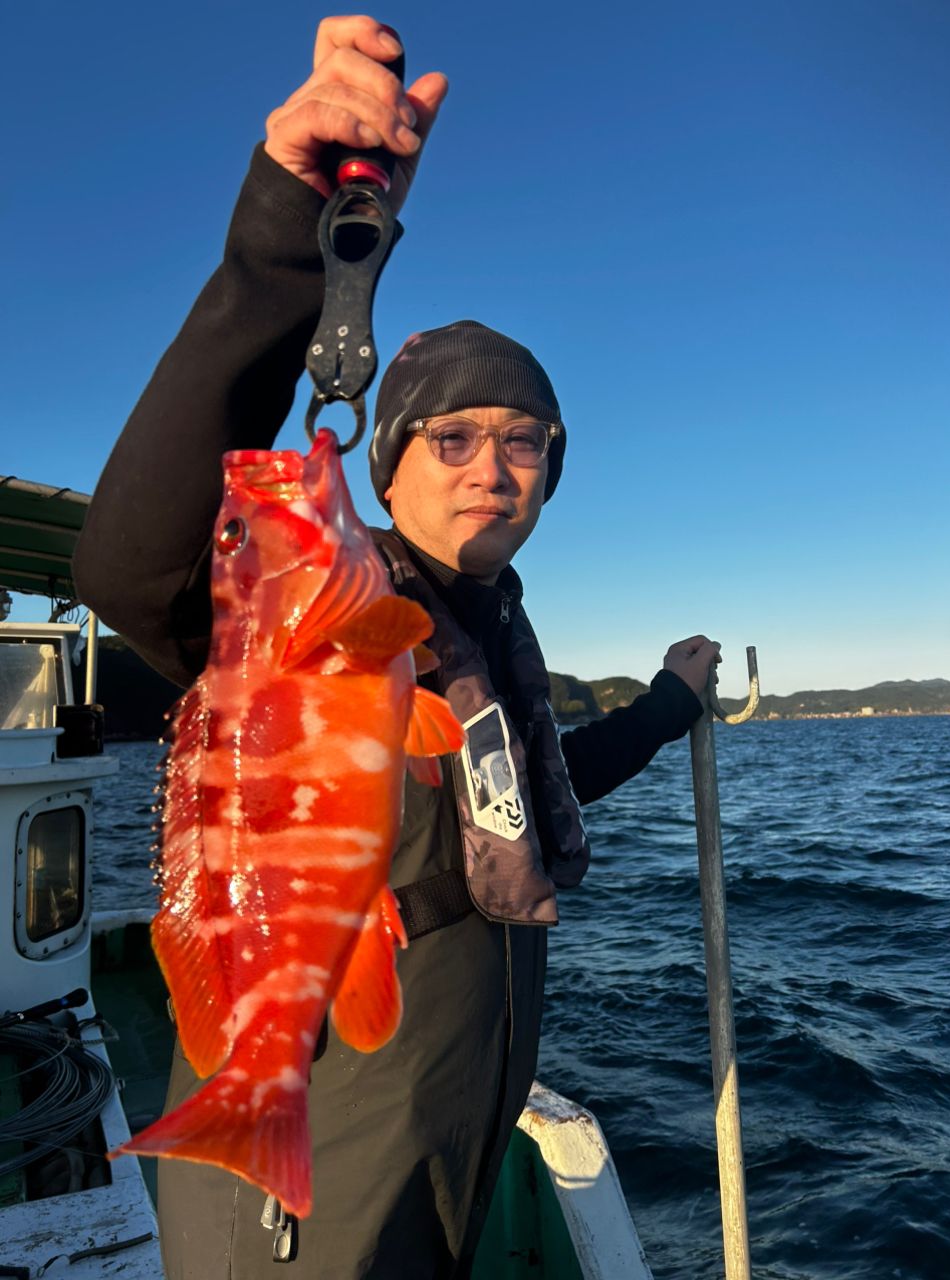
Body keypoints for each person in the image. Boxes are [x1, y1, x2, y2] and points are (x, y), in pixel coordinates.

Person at [73, 16, 721, 1279]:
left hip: (453, 1104)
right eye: (455, 436)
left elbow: (526, 786)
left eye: (526, 439)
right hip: (321, 1123)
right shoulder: (299, 609)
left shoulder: (488, 631)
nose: (496, 465)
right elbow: (126, 565)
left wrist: (668, 705)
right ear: (388, 460)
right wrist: (281, 245)